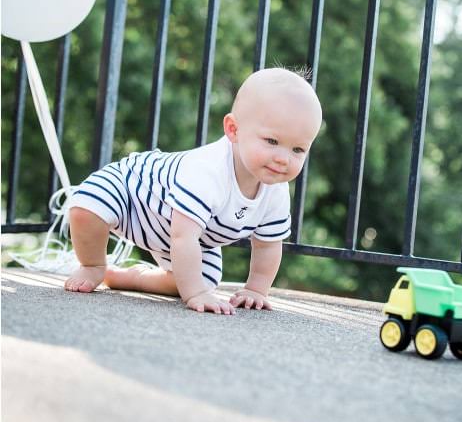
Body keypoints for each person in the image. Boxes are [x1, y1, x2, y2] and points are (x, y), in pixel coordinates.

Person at [62, 67, 323, 315]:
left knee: (204, 278)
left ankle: (126, 277)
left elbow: (267, 246)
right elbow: (181, 238)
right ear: (234, 130)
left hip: (190, 236)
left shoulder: (275, 192)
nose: (283, 159)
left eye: (298, 149)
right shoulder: (207, 171)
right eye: (272, 141)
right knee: (89, 205)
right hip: (136, 198)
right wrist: (195, 294)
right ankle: (93, 265)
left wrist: (256, 289)